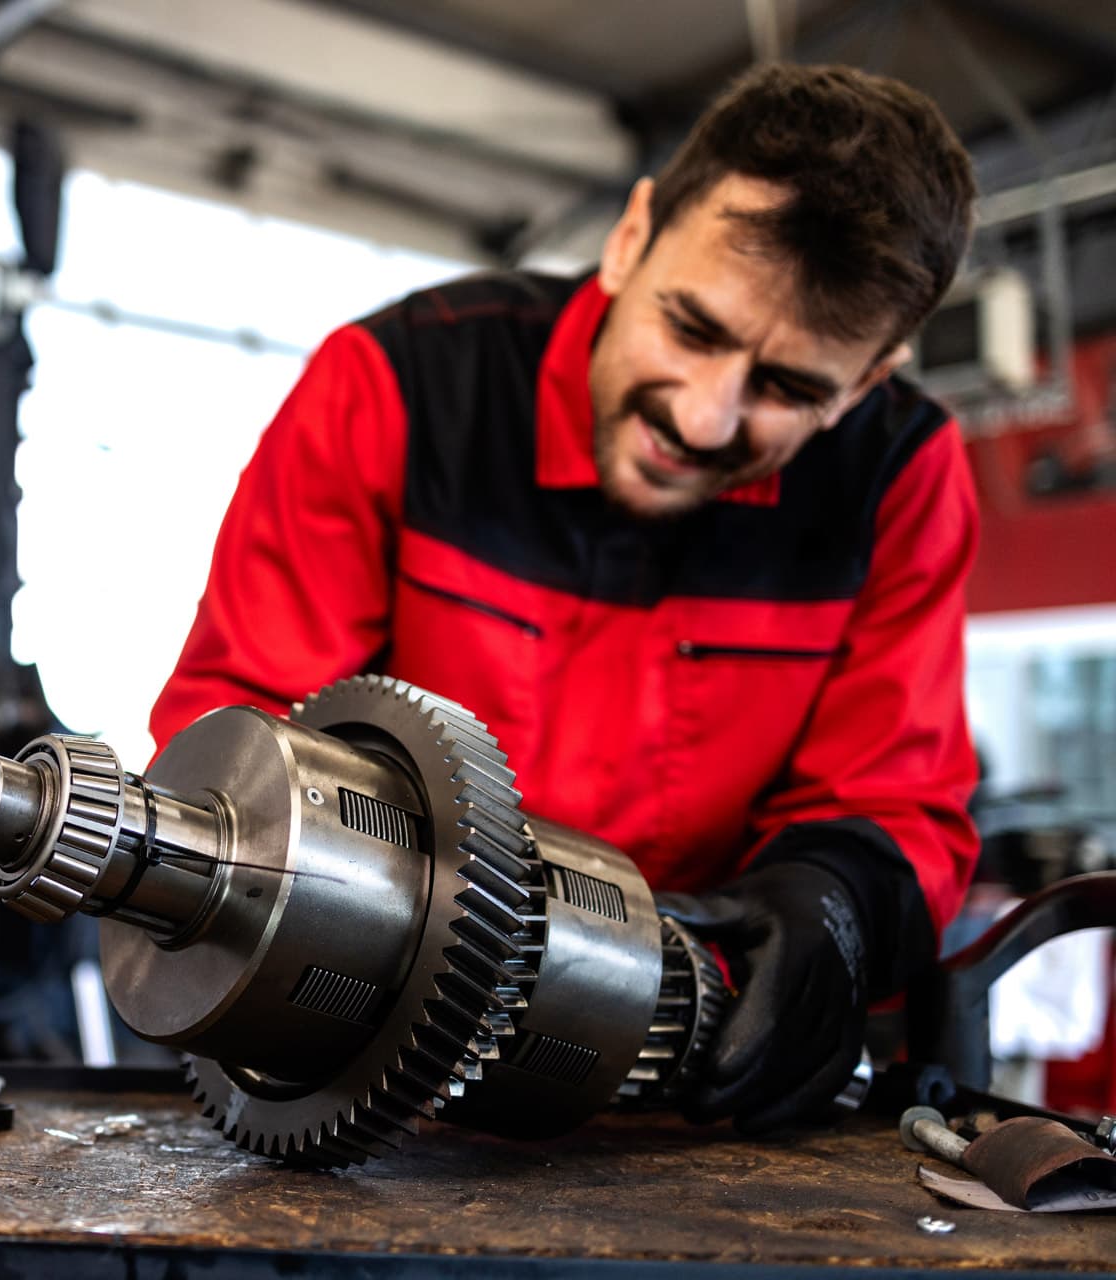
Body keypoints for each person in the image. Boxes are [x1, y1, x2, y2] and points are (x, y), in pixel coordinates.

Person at [148, 64, 980, 1134]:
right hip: (392, 1070)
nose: (707, 416)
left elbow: (900, 798)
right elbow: (241, 738)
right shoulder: (394, 389)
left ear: (869, 379)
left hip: (699, 1093)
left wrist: (840, 906)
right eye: (692, 327)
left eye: (789, 388)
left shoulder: (902, 474)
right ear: (631, 237)